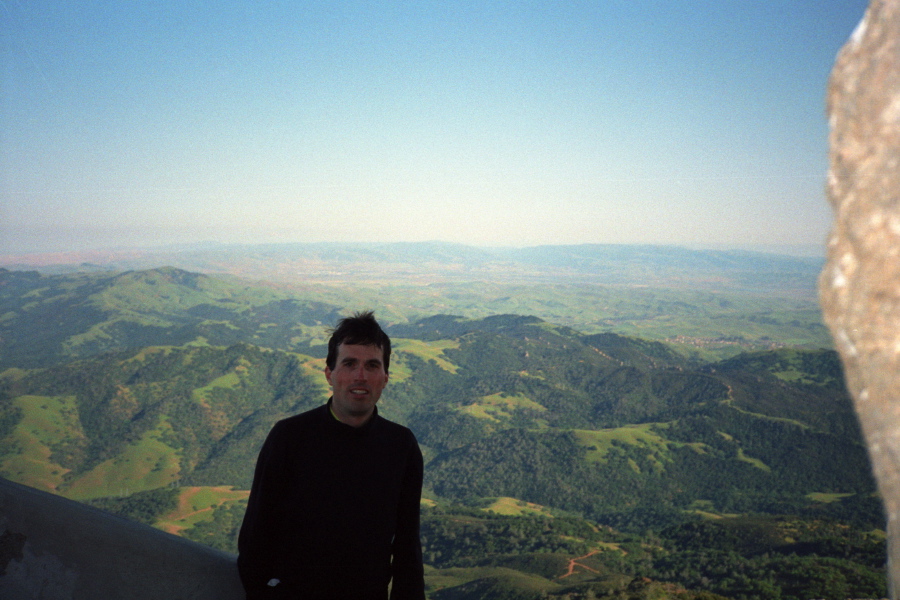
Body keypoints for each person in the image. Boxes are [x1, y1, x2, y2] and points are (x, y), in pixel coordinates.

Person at [237, 311, 426, 600]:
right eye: (349, 363)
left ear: (385, 378)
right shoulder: (289, 438)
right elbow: (255, 538)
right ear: (329, 373)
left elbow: (407, 548)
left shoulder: (401, 446)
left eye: (371, 365)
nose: (360, 376)